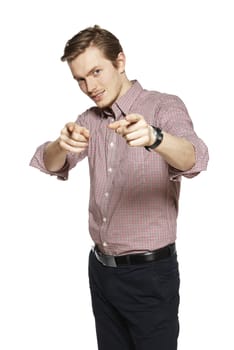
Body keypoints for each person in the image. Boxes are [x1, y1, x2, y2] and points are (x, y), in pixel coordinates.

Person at [30, 25, 209, 350]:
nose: (90, 86)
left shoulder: (162, 107)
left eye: (97, 72)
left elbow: (196, 156)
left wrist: (156, 138)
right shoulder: (90, 120)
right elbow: (49, 162)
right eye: (81, 79)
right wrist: (62, 143)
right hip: (101, 270)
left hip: (150, 275)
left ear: (120, 61)